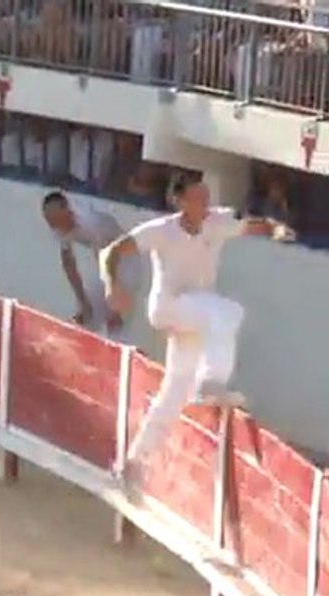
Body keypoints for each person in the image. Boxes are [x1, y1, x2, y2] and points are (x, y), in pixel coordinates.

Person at [100, 174, 292, 486]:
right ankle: (211, 383)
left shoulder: (217, 222)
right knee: (228, 311)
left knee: (174, 390)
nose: (204, 204)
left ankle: (131, 464)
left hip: (196, 316)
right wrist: (113, 286)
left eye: (206, 198)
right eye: (197, 198)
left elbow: (257, 224)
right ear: (178, 201)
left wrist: (277, 229)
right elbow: (111, 252)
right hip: (169, 307)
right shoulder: (160, 230)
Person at [42, 191, 139, 335]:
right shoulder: (59, 226)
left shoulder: (91, 223)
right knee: (87, 317)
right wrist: (83, 302)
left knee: (114, 322)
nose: (55, 228)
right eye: (51, 223)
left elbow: (106, 261)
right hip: (105, 261)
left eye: (57, 222)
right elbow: (69, 264)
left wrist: (114, 307)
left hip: (127, 262)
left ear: (67, 210)